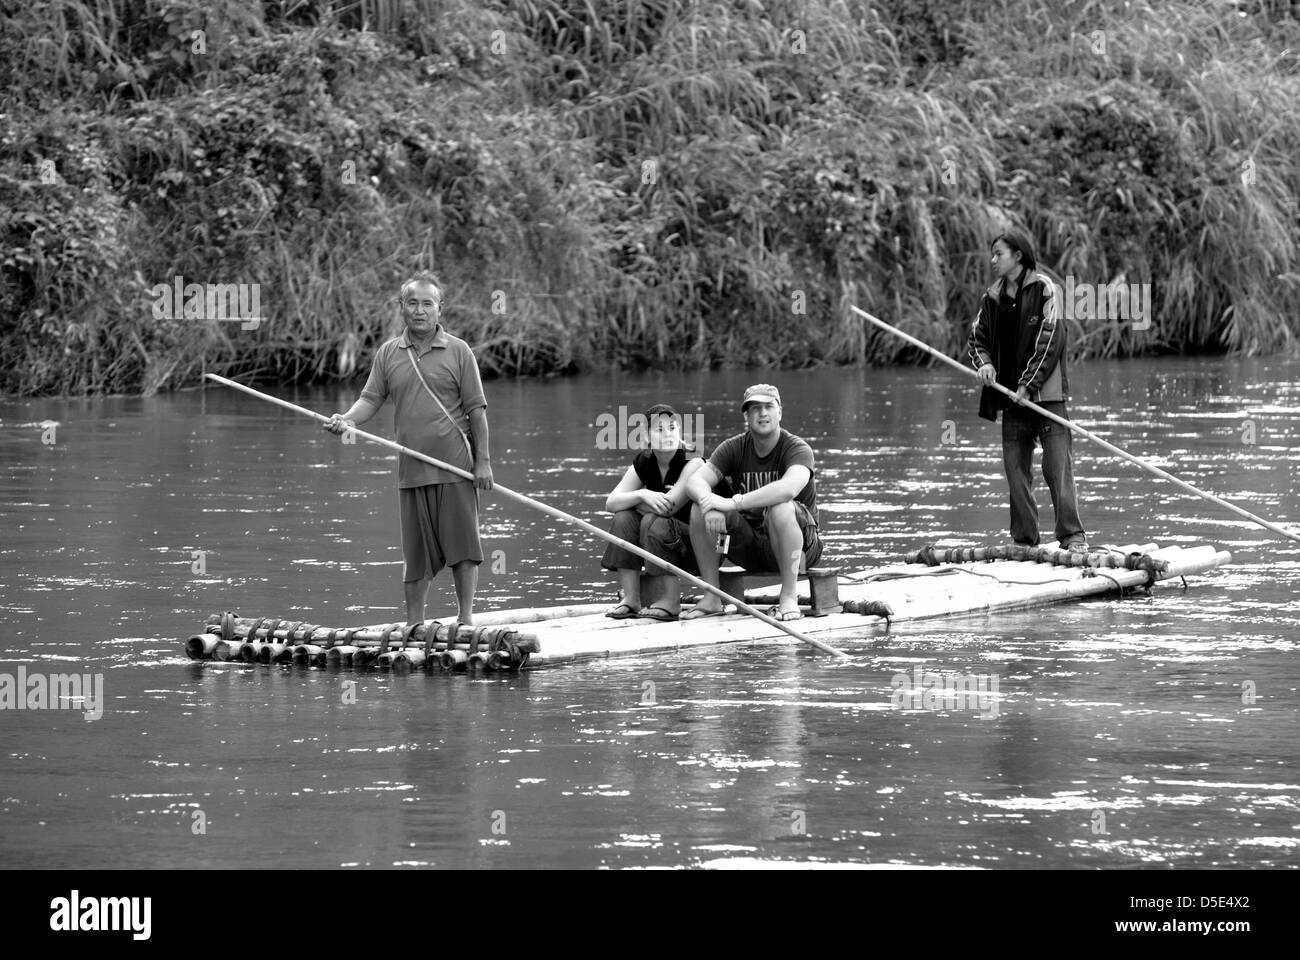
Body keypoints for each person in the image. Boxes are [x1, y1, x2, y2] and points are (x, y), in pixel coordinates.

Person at [323, 272, 494, 626]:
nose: (419, 311)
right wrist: (349, 421)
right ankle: (414, 625)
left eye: (427, 304)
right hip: (411, 469)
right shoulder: (388, 352)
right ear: (401, 307)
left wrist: (483, 463)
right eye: (412, 303)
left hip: (455, 466)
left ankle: (465, 620)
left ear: (440, 309)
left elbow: (477, 411)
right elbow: (370, 400)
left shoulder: (460, 351)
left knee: (464, 547)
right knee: (415, 553)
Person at [966, 229, 1087, 552]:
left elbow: (1050, 340)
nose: (993, 260)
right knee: (1016, 472)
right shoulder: (991, 298)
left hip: (1046, 398)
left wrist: (1026, 385)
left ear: (1018, 255)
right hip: (1011, 400)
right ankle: (1024, 541)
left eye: (999, 254)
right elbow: (976, 339)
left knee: (1057, 468)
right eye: (992, 254)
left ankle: (1072, 537)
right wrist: (985, 364)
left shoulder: (1046, 289)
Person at [683, 384, 821, 621]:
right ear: (746, 416)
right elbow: (694, 482)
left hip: (800, 552)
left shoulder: (798, 448)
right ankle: (711, 595)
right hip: (749, 546)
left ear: (780, 412)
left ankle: (789, 597)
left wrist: (733, 503)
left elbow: (788, 489)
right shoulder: (733, 447)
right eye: (755, 408)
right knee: (698, 508)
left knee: (781, 507)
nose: (763, 413)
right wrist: (710, 503)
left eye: (768, 407)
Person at [601, 404, 704, 622]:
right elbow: (611, 503)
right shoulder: (644, 461)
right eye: (659, 429)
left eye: (673, 427)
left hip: (700, 548)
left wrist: (635, 501)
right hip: (664, 545)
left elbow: (669, 507)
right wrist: (641, 495)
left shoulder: (693, 461)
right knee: (623, 518)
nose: (668, 434)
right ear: (646, 436)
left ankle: (671, 600)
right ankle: (631, 599)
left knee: (653, 519)